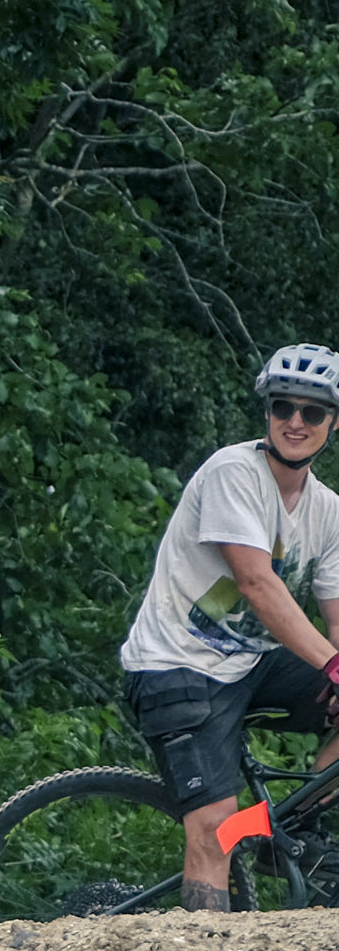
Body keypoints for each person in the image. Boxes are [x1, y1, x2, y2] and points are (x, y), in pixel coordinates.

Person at [120, 341, 339, 911]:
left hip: (250, 665)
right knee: (217, 826)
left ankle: (294, 834)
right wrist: (334, 666)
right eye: (282, 408)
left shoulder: (328, 512)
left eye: (311, 412)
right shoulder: (232, 472)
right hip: (176, 665)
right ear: (267, 413)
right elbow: (256, 584)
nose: (295, 421)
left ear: (331, 423)